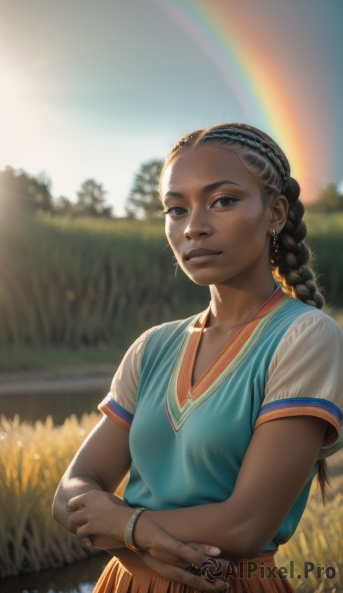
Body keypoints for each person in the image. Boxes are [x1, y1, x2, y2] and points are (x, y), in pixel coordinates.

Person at [52, 123, 343, 592]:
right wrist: (133, 533)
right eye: (175, 208)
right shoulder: (153, 347)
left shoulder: (305, 336)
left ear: (275, 213)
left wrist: (126, 526)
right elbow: (70, 493)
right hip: (125, 584)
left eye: (223, 200)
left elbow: (245, 527)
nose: (193, 226)